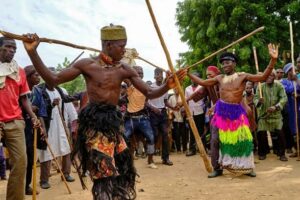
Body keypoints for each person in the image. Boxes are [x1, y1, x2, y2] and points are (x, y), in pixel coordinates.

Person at [23, 24, 185, 199]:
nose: (125, 50)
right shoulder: (87, 65)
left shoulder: (124, 69)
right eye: (121, 46)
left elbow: (150, 92)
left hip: (114, 128)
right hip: (95, 127)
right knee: (103, 174)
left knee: (123, 170)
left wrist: (167, 86)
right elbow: (53, 79)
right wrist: (33, 52)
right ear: (108, 45)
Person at [188, 44, 278, 176]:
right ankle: (217, 168)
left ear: (234, 63)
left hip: (237, 112)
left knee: (244, 139)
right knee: (215, 140)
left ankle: (247, 167)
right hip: (221, 112)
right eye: (223, 63)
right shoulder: (219, 78)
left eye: (228, 62)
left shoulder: (243, 76)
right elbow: (203, 82)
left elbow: (263, 77)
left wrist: (273, 60)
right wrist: (189, 74)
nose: (225, 65)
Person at [0, 37, 39, 200]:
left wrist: (33, 116)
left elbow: (23, 98)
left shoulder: (19, 71)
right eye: (8, 47)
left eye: (14, 48)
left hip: (16, 121)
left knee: (21, 163)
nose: (12, 51)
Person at [124, 66, 157, 169]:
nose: (140, 74)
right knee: (124, 139)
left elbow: (146, 100)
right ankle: (126, 162)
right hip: (130, 119)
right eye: (138, 72)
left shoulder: (145, 87)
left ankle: (150, 160)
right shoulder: (129, 85)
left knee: (151, 138)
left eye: (141, 72)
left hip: (143, 118)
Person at [254, 70, 288, 161]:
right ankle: (262, 152)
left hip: (276, 115)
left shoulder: (279, 86)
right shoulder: (260, 87)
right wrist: (259, 102)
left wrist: (276, 107)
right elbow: (256, 98)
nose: (269, 77)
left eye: (271, 75)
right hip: (264, 116)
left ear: (274, 77)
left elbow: (284, 98)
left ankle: (282, 154)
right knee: (261, 133)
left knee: (280, 134)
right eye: (267, 76)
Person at [147, 68, 175, 166]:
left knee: (165, 135)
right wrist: (153, 108)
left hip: (162, 113)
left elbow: (165, 101)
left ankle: (165, 158)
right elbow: (146, 102)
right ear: (154, 76)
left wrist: (173, 107)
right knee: (153, 135)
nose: (160, 76)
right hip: (153, 114)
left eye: (161, 74)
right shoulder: (150, 87)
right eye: (157, 74)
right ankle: (150, 158)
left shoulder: (165, 87)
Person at [185, 72, 206, 156]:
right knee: (192, 131)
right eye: (192, 77)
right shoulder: (187, 89)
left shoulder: (202, 87)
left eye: (195, 77)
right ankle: (192, 149)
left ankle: (203, 149)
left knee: (201, 131)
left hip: (200, 111)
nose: (193, 79)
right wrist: (186, 113)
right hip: (191, 113)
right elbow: (186, 100)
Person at [281, 63, 300, 157]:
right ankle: (296, 150)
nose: (295, 72)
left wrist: (296, 80)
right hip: (289, 110)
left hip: (298, 108)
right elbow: (287, 90)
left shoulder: (298, 80)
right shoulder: (283, 82)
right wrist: (295, 88)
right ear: (288, 72)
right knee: (292, 130)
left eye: (296, 70)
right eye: (293, 70)